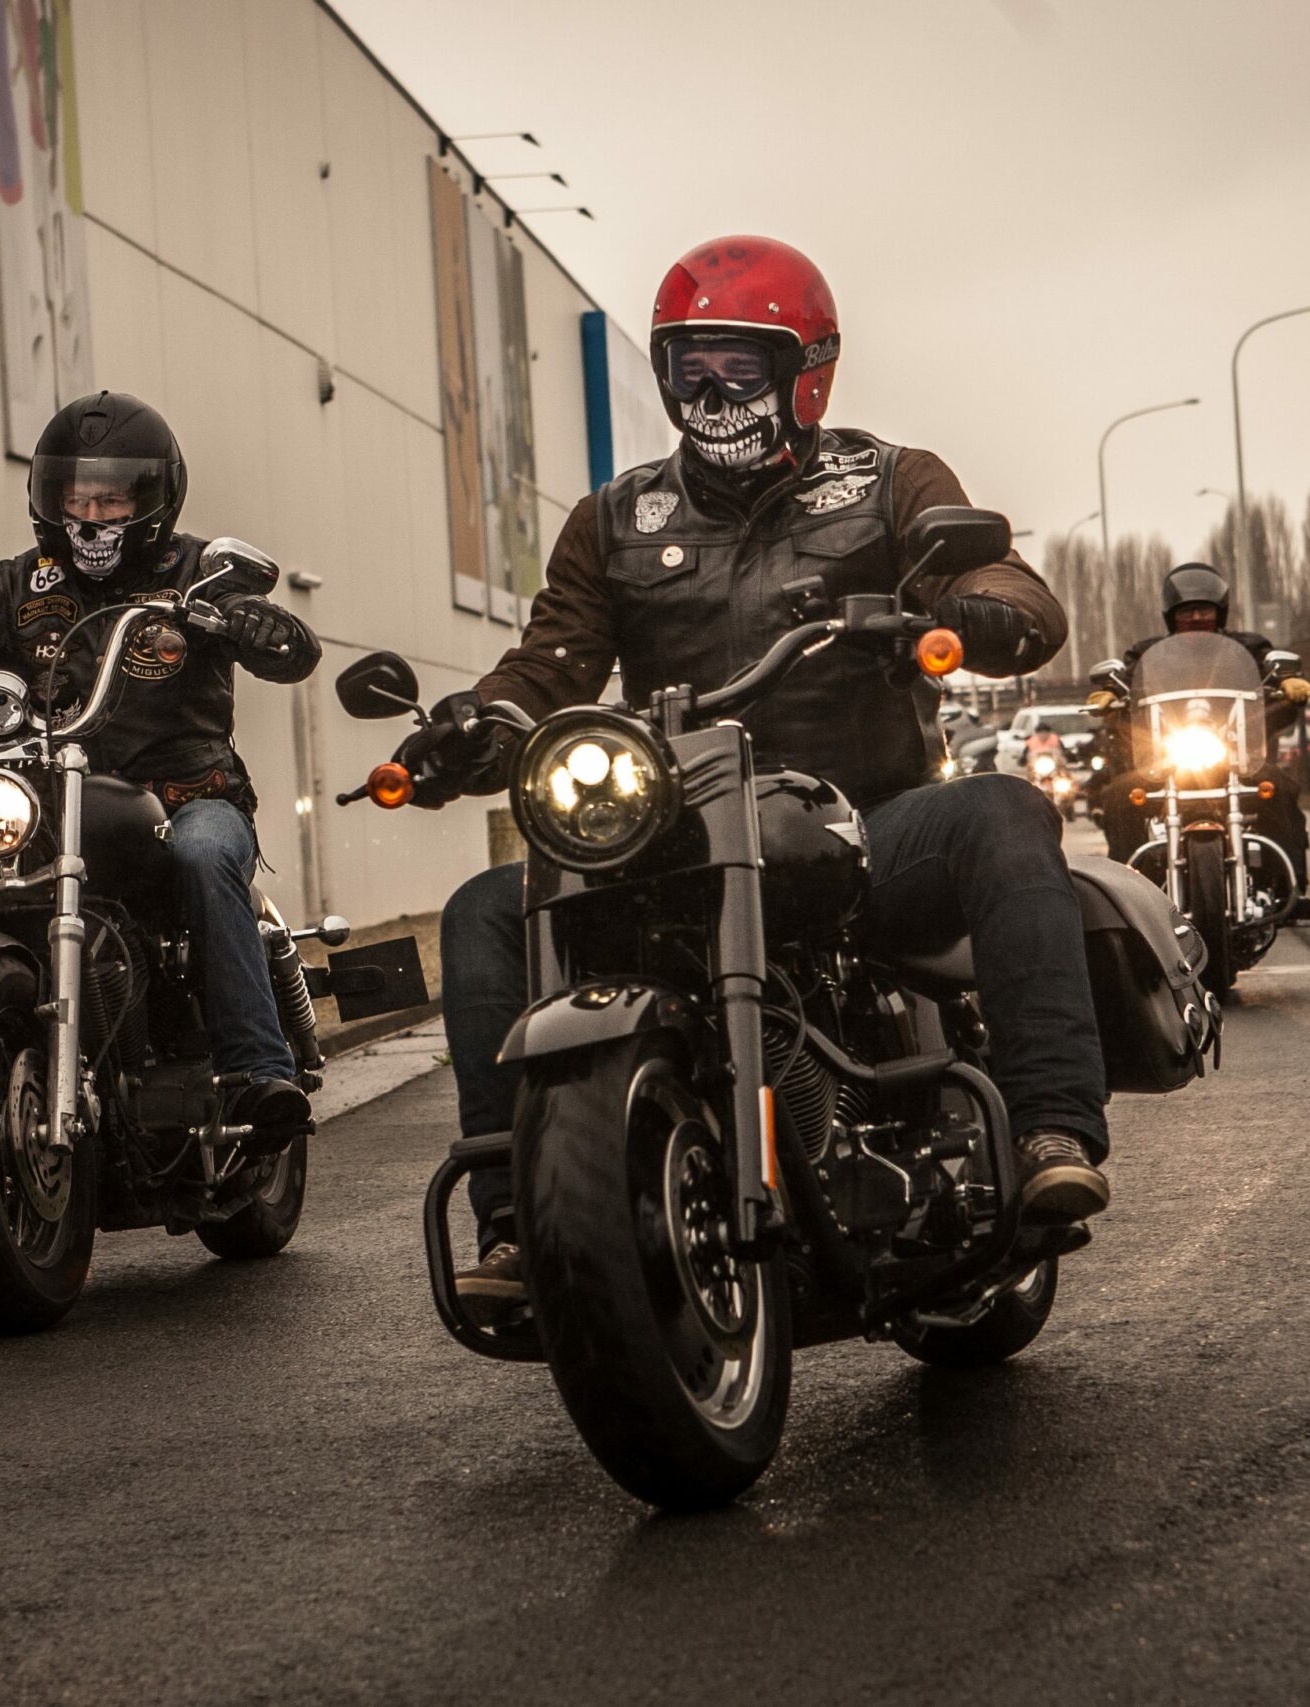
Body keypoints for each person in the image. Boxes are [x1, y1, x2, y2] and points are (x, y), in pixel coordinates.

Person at [400, 235, 1111, 1325]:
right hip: (679, 833)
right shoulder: (615, 520)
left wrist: (976, 613)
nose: (712, 392)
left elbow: (1008, 585)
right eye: (689, 367)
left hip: (869, 822)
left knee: (1006, 811)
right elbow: (549, 666)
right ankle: (517, 1221)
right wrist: (473, 726)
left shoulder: (891, 481)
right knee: (487, 911)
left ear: (805, 371)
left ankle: (1051, 1126)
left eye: (739, 366)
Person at [0, 391, 322, 1140]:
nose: (91, 516)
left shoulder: (196, 573)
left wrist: (258, 624)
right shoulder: (16, 585)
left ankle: (257, 1070)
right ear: (50, 498)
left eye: (112, 499)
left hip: (187, 795)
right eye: (77, 498)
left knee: (204, 854)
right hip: (60, 803)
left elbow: (294, 652)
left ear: (151, 500)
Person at [1089, 563, 1310, 919]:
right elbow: (1126, 680)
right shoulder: (1147, 653)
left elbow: (1270, 669)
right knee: (1120, 796)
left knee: (1278, 788)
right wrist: (1111, 691)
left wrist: (1286, 682)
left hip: (1235, 758)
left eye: (1204, 609)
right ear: (1171, 616)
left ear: (1220, 611)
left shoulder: (1248, 647)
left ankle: (1286, 890)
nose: (1196, 617)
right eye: (1186, 611)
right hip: (1168, 759)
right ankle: (1125, 899)